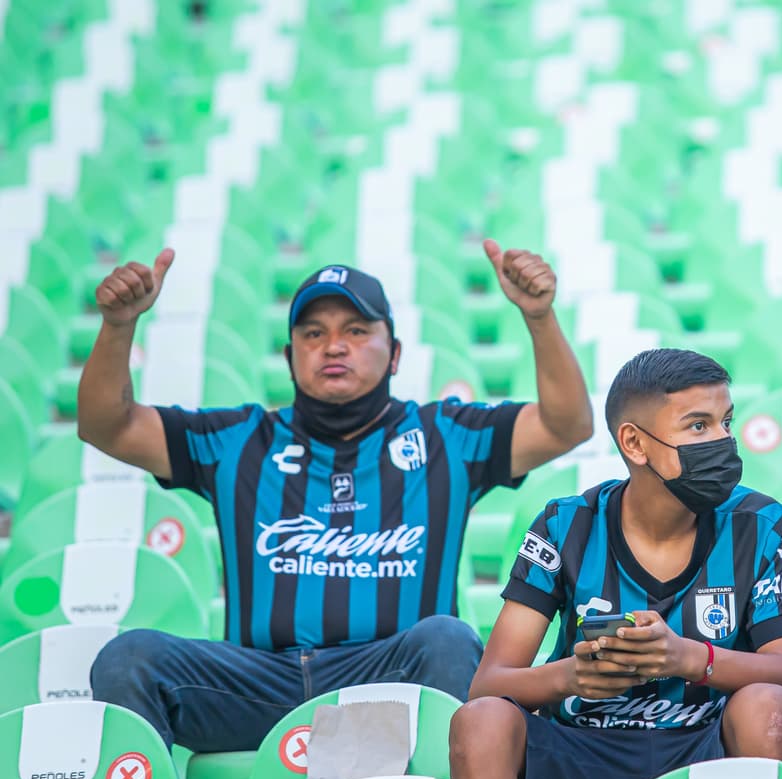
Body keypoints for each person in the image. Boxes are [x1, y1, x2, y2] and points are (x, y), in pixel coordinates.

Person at [79, 240, 593, 752]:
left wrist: (539, 317)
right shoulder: (236, 441)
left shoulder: (445, 437)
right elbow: (108, 426)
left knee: (448, 640)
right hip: (257, 688)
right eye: (313, 333)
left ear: (394, 355)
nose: (333, 346)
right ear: (289, 356)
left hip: (390, 682)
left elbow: (566, 425)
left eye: (356, 330)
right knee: (129, 658)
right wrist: (118, 327)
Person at [448, 348, 782, 779]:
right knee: (480, 722)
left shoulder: (761, 523)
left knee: (768, 707)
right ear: (634, 443)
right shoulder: (565, 524)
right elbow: (488, 684)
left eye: (726, 422)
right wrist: (568, 678)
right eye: (698, 426)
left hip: (703, 748)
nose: (723, 441)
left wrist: (688, 659)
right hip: (583, 753)